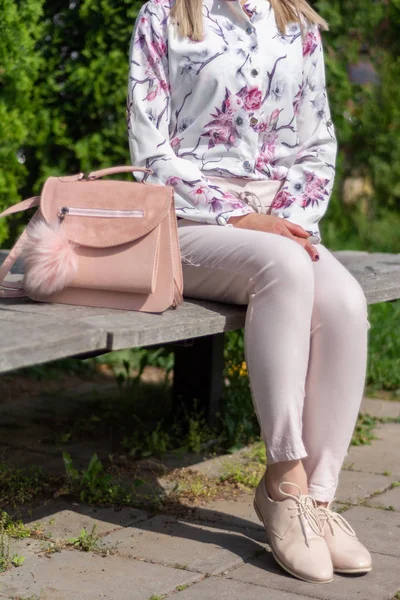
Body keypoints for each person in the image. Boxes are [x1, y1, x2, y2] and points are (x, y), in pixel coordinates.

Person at [127, 0, 372, 583]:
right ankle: (283, 482)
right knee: (286, 269)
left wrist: (285, 218)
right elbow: (150, 150)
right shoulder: (164, 14)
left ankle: (317, 498)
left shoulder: (295, 18)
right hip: (190, 220)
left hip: (282, 222)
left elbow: (318, 143)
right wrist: (239, 216)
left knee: (344, 303)